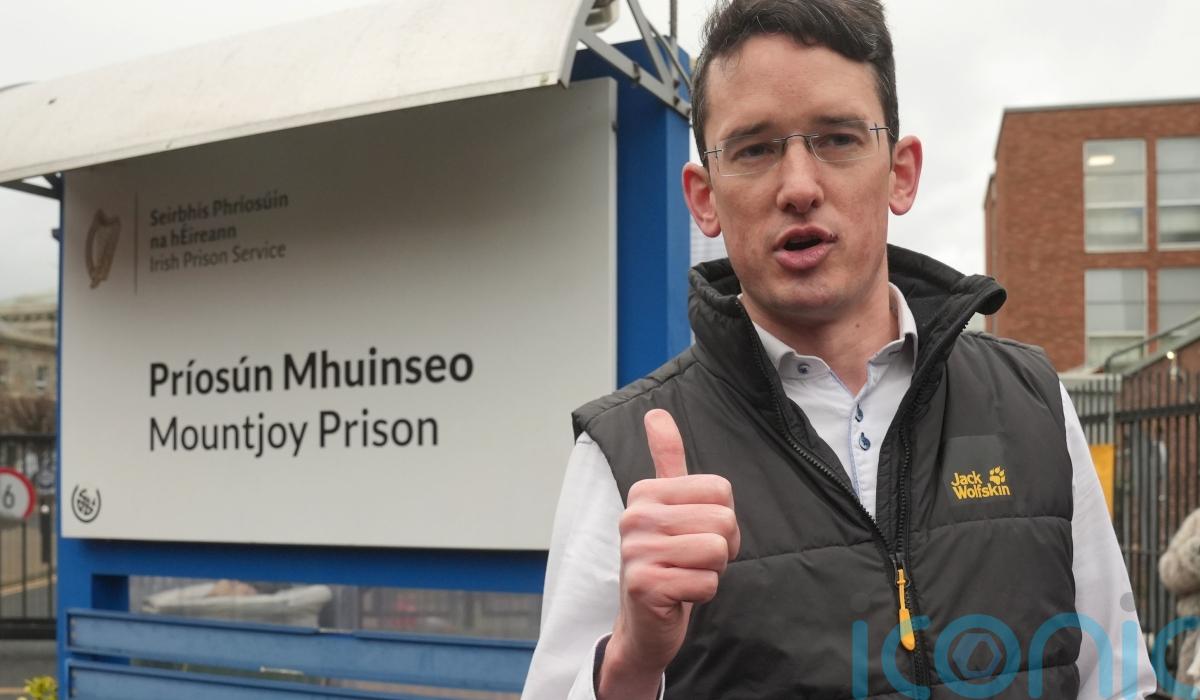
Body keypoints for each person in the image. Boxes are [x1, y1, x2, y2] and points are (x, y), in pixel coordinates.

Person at [521, 0, 1158, 697]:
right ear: (704, 199)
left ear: (901, 173)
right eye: (755, 149)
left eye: (838, 138)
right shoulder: (623, 457)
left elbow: (1117, 682)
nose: (799, 187)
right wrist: (632, 661)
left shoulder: (1034, 402)